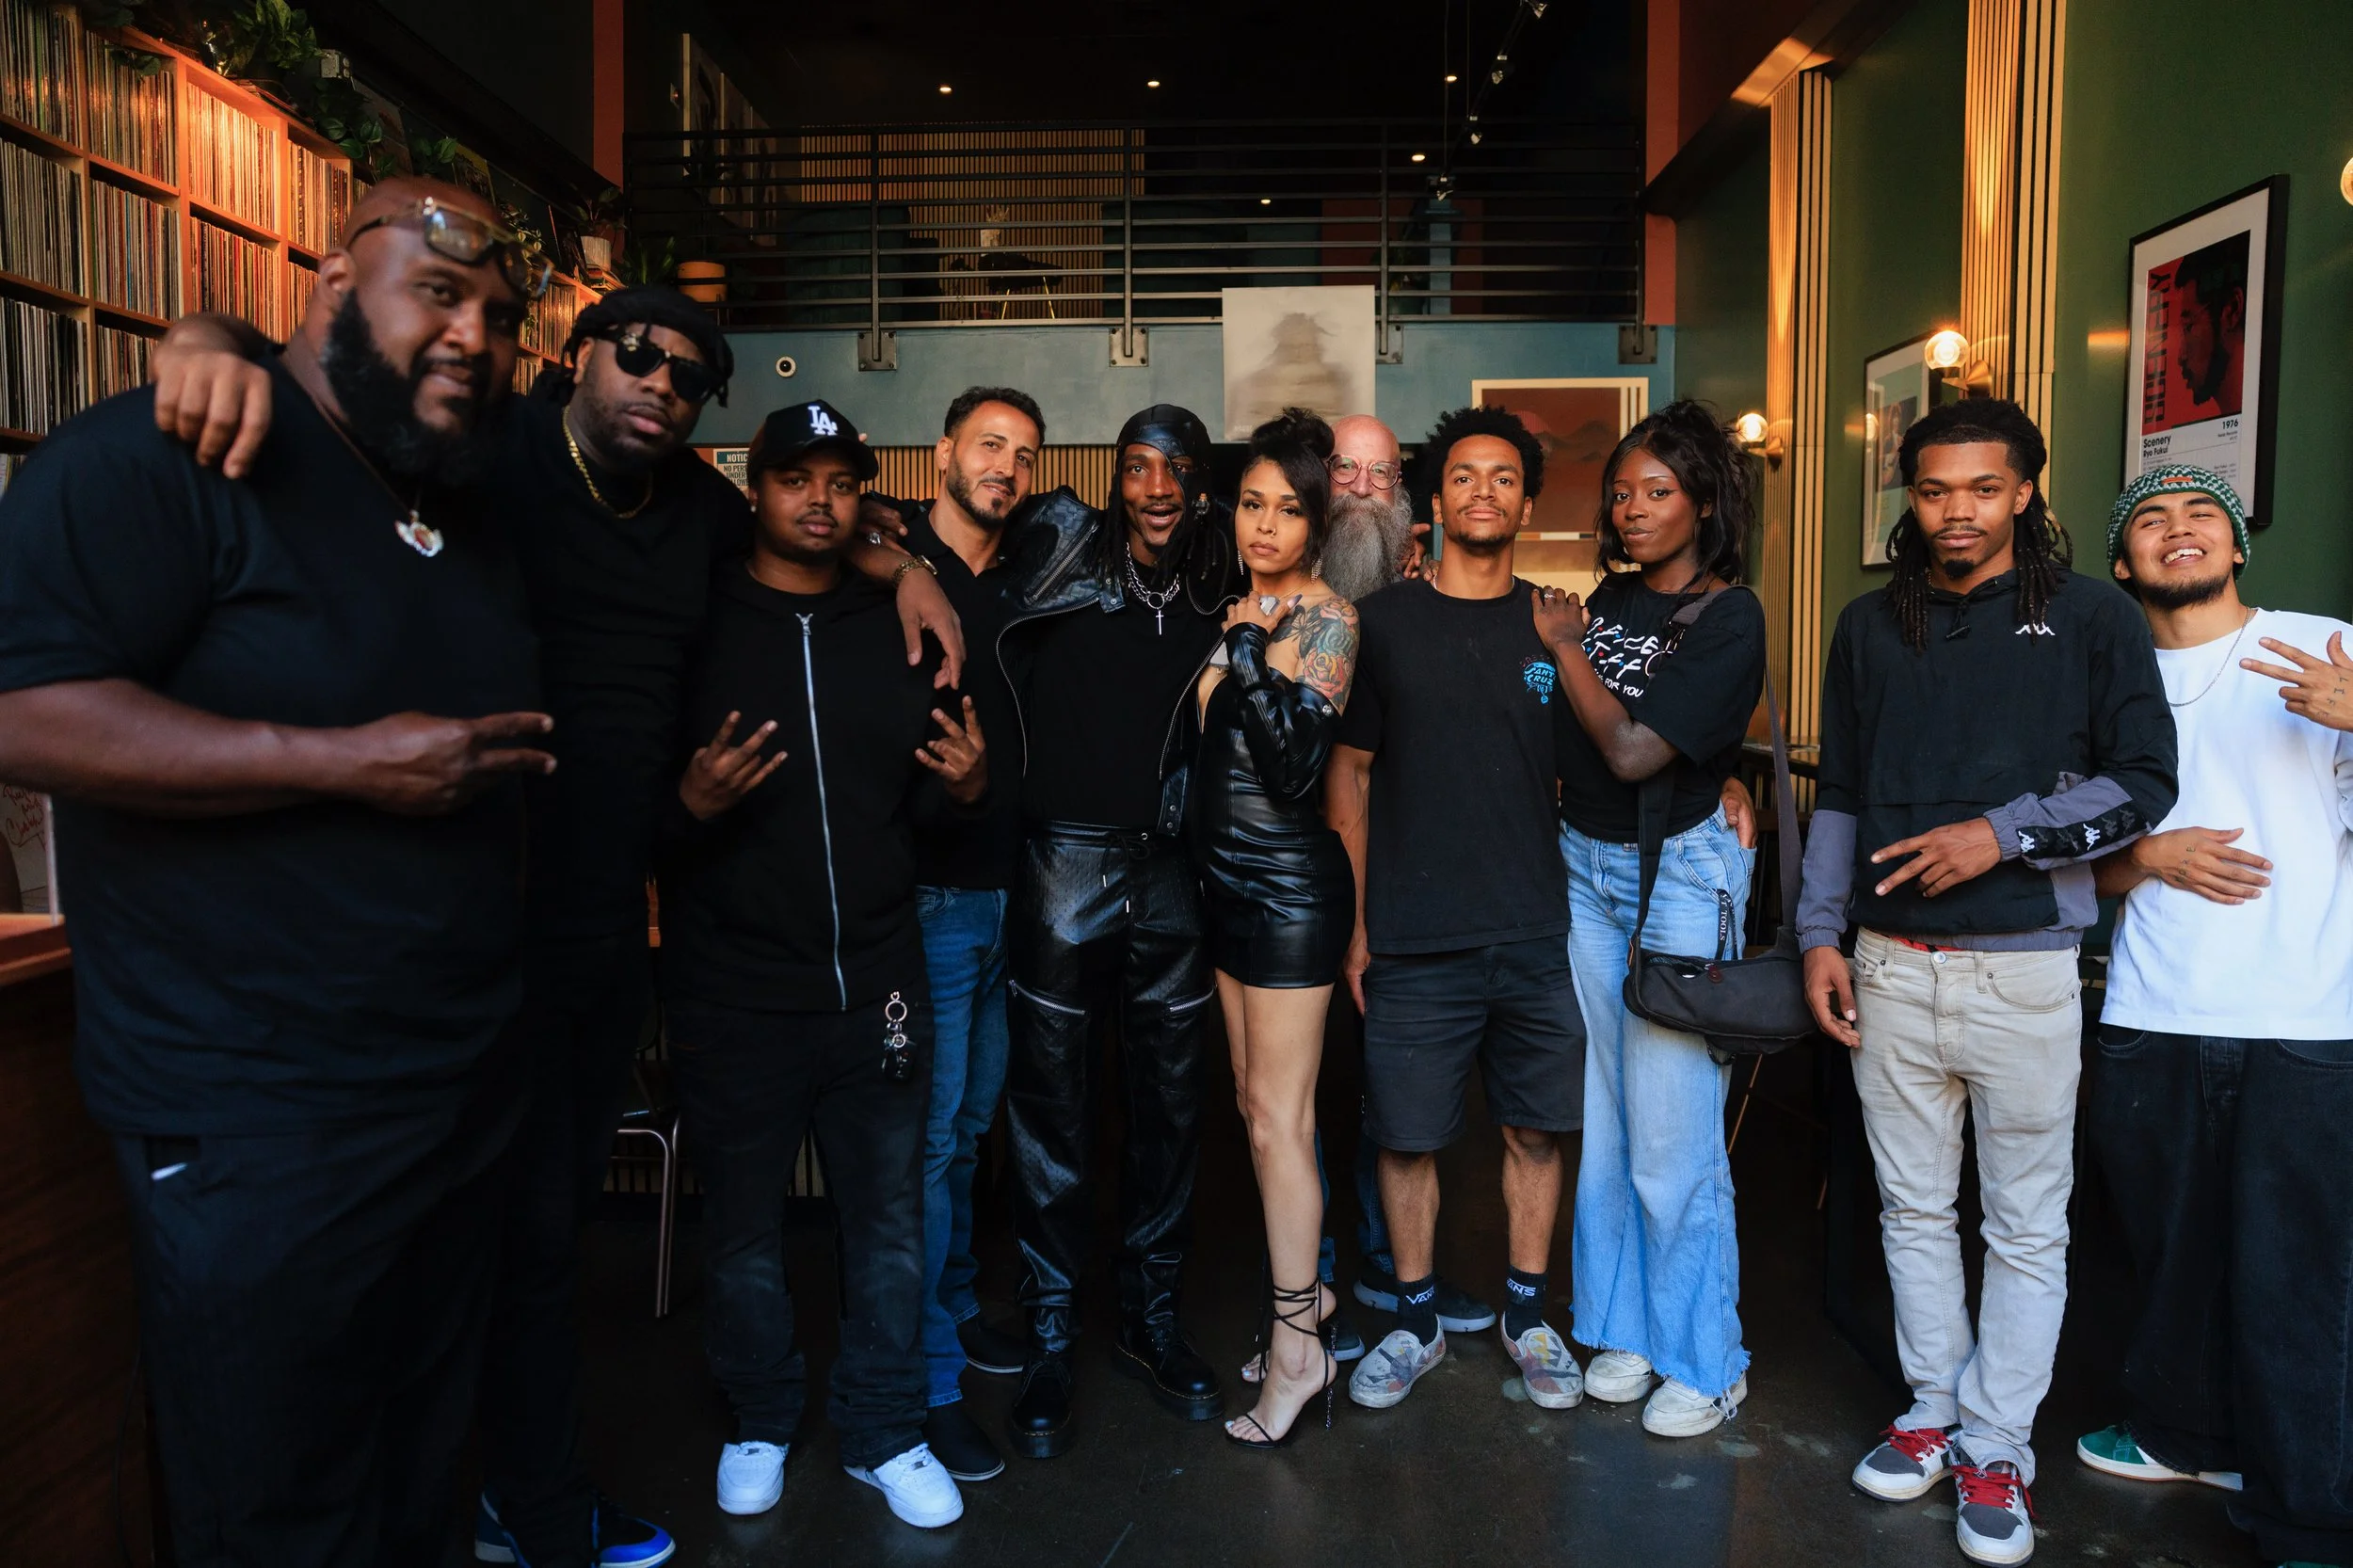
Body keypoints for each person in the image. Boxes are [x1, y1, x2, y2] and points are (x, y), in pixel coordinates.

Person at [144, 288, 962, 1568]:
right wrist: (212, 341)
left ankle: (537, 1499)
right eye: (637, 354)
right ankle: (492, 1498)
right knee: (406, 1240)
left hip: (608, 927)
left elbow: (828, 536)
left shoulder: (697, 513)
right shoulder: (490, 449)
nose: (659, 383)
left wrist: (909, 568)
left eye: (687, 374)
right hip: (430, 913)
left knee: (547, 1231)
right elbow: (341, 399)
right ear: (573, 353)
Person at [0, 176, 554, 1567]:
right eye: (438, 293)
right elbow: (20, 709)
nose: (474, 336)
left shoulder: (458, 491)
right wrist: (337, 763)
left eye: (499, 316)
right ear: (332, 288)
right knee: (280, 1513)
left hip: (450, 1094)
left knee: (419, 1483)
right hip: (259, 1117)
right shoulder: (168, 451)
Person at [1798, 398, 2177, 1568]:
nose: (1955, 511)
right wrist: (1817, 932)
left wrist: (1999, 836)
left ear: (2023, 493)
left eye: (1980, 488)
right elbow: (1842, 789)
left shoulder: (2093, 616)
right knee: (1911, 1210)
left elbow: (2143, 783)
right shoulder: (1868, 624)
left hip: (2024, 972)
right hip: (1887, 964)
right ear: (1908, 499)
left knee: (2022, 1224)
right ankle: (1931, 1407)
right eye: (1932, 490)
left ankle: (1998, 1442)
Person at [656, 399, 987, 1532]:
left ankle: (886, 1428)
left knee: (887, 1222)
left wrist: (970, 790)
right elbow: (637, 810)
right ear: (755, 489)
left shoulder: (893, 621)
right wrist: (687, 806)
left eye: (840, 482)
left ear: (863, 497)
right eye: (795, 478)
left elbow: (928, 807)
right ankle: (759, 1416)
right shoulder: (699, 619)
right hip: (734, 990)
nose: (818, 500)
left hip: (878, 979)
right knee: (744, 1226)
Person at [2074, 466, 2353, 1568]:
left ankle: (2310, 1514)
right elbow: (2060, 868)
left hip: (2307, 1015)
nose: (2179, 529)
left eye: (2203, 516)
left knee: (2300, 1274)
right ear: (2122, 562)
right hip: (2154, 1006)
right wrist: (2146, 854)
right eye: (2150, 519)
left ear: (2236, 548)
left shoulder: (2322, 646)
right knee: (2170, 1249)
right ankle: (2185, 1437)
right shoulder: (2102, 679)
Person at [1329, 407, 1590, 1415]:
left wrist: (1726, 784)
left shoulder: (1555, 625)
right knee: (1406, 1140)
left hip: (1532, 930)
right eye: (1465, 477)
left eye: (1504, 478)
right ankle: (1415, 1319)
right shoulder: (1384, 623)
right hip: (1412, 933)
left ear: (1526, 504)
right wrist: (1358, 926)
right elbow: (1349, 776)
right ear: (1433, 502)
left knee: (1534, 1133)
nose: (1484, 492)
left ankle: (1527, 1315)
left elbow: (1608, 756)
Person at [996, 405, 1237, 1458]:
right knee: (1050, 1104)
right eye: (1136, 467)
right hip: (1064, 860)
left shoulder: (1220, 574)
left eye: (1173, 469)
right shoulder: (1060, 537)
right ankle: (1051, 1333)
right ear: (1113, 478)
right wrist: (900, 563)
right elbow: (930, 526)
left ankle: (1149, 1316)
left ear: (1199, 484)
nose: (1155, 488)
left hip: (1171, 868)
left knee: (1171, 1107)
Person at [1531, 400, 1766, 1438]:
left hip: (1674, 875)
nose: (1630, 510)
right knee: (1612, 1120)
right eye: (1620, 493)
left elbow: (1631, 751)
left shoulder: (1731, 616)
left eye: (1656, 492)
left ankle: (1707, 1357)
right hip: (1586, 868)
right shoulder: (1612, 603)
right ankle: (1624, 1330)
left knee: (1674, 1131)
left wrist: (1562, 646)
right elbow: (1565, 737)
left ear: (1703, 503)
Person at [1192, 409, 1361, 1446]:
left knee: (1280, 1122)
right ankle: (1306, 1302)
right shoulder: (1238, 609)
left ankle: (1299, 1345)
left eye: (1287, 509)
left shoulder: (1329, 621)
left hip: (1292, 889)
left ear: (1317, 523)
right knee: (1253, 1106)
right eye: (1251, 503)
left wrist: (1250, 643)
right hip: (1223, 889)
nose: (1263, 524)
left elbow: (1295, 761)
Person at [895, 386, 1049, 1483]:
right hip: (930, 897)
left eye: (1024, 454)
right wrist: (892, 552)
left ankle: (952, 1307)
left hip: (1009, 894)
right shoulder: (894, 551)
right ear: (944, 451)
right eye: (989, 445)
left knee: (969, 1129)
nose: (1005, 466)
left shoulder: (1023, 571)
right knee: (928, 1142)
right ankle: (924, 1379)